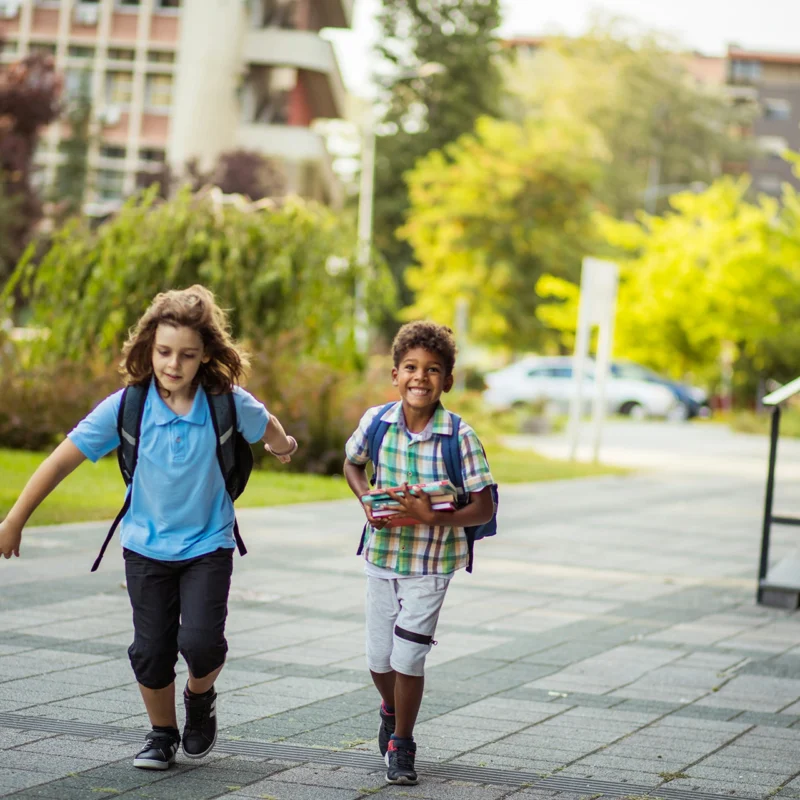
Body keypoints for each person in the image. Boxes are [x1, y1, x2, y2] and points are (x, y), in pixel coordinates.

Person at [0, 285, 298, 771]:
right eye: (163, 352)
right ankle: (162, 733)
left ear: (206, 356)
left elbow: (268, 425)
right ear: (148, 349)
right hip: (145, 547)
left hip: (208, 543)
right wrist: (14, 520)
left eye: (186, 355)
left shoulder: (226, 402)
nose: (173, 364)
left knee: (202, 643)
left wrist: (284, 447)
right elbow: (59, 462)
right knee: (150, 651)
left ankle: (200, 698)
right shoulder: (126, 408)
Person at [343, 320, 495, 785]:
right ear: (395, 374)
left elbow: (483, 506)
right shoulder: (377, 422)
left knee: (408, 658)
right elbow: (352, 463)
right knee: (378, 659)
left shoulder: (459, 437)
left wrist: (436, 519)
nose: (420, 377)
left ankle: (402, 743)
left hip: (431, 566)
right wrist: (366, 498)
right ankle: (390, 709)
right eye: (410, 367)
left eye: (432, 370)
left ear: (447, 381)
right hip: (382, 557)